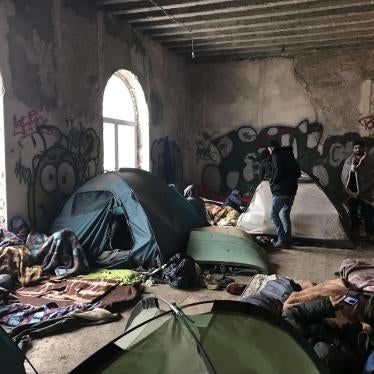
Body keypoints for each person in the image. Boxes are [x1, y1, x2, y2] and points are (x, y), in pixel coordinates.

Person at [267, 141, 301, 248]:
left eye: (269, 150)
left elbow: (278, 172)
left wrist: (272, 181)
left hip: (281, 191)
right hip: (291, 191)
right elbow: (298, 173)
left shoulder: (276, 155)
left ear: (271, 148)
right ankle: (288, 240)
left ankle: (282, 239)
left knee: (273, 213)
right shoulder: (290, 156)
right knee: (285, 214)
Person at [341, 140, 374, 241]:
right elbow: (344, 176)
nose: (358, 150)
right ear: (353, 149)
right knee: (353, 213)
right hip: (352, 194)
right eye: (355, 148)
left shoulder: (370, 160)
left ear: (363, 148)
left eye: (359, 148)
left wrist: (358, 171)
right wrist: (351, 170)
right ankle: (355, 234)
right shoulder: (349, 160)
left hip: (366, 193)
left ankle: (370, 234)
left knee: (367, 214)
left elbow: (371, 175)